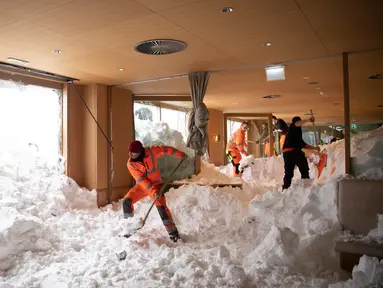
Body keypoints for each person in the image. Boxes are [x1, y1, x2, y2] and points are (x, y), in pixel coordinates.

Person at [122, 140, 187, 242]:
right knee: (126, 202)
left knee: (161, 207)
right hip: (143, 187)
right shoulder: (131, 164)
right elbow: (142, 181)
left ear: (139, 152)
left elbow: (165, 149)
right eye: (129, 152)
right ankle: (129, 229)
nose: (130, 155)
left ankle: (173, 233)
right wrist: (153, 191)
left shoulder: (151, 151)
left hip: (156, 185)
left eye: (132, 153)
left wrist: (180, 154)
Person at [282, 116, 320, 191]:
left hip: (287, 153)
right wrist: (308, 120)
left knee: (288, 172)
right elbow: (297, 123)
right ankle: (305, 183)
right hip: (293, 152)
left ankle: (286, 188)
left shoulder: (297, 135)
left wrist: (315, 148)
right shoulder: (292, 127)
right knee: (303, 166)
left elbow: (304, 145)